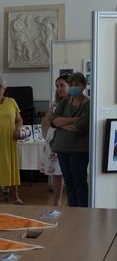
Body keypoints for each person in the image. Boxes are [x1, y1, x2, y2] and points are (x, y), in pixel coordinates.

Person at [49, 72, 91, 207]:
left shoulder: (88, 104)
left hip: (78, 149)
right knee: (68, 181)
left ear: (83, 86)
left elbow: (81, 126)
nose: (73, 87)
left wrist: (61, 124)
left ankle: (83, 211)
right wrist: (73, 120)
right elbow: (53, 121)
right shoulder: (65, 102)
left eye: (76, 84)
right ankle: (73, 209)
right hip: (62, 148)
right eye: (71, 84)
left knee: (79, 182)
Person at [39, 76, 68, 207]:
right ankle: (57, 203)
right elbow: (46, 121)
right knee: (57, 173)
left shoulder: (76, 103)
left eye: (62, 85)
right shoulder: (56, 104)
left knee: (70, 173)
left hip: (67, 140)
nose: (59, 88)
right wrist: (51, 112)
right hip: (54, 140)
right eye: (57, 86)